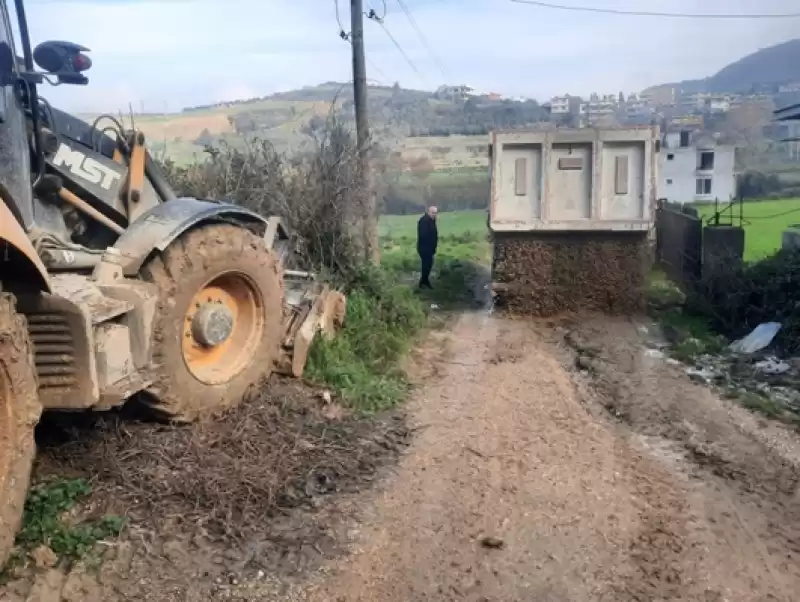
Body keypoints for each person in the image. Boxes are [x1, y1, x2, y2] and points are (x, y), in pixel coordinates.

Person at [416, 205, 438, 289]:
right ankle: (423, 282)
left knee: (428, 264)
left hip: (430, 248)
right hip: (424, 247)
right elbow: (423, 235)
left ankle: (424, 281)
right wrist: (430, 245)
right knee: (426, 264)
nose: (434, 214)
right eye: (433, 213)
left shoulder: (432, 220)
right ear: (428, 212)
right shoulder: (423, 221)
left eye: (435, 213)